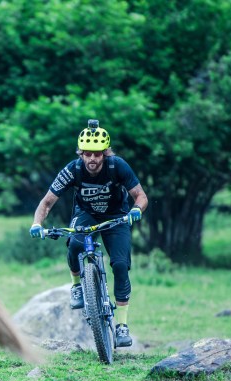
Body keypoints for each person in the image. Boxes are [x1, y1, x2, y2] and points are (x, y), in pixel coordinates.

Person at [29, 119, 148, 347]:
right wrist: (37, 223)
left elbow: (141, 196)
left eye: (97, 154)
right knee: (74, 245)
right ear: (81, 154)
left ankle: (122, 325)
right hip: (86, 214)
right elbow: (46, 203)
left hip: (117, 215)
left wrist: (136, 210)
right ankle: (76, 285)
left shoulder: (118, 166)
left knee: (121, 265)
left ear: (105, 153)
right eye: (87, 154)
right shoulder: (73, 169)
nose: (92, 159)